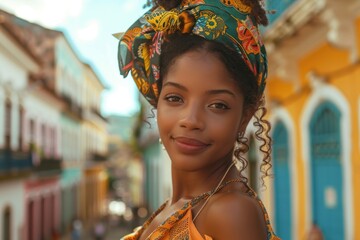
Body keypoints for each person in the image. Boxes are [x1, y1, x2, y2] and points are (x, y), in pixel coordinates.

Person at [117, 0, 280, 239]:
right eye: (174, 98)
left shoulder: (231, 213)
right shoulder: (175, 208)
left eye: (217, 105)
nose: (190, 120)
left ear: (245, 115)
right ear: (157, 99)